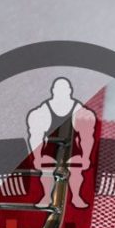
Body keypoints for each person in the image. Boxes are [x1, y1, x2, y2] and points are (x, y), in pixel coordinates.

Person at [25, 77, 96, 209]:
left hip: (71, 150)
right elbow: (35, 135)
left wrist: (85, 156)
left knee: (76, 166)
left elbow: (87, 138)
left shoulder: (83, 114)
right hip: (49, 149)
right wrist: (38, 156)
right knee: (46, 162)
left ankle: (75, 196)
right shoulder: (41, 112)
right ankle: (46, 196)